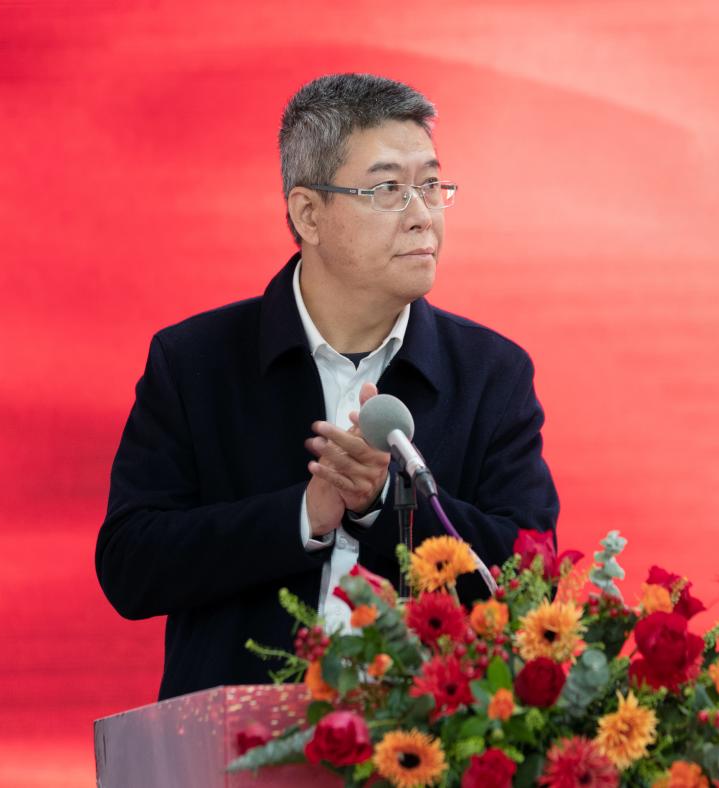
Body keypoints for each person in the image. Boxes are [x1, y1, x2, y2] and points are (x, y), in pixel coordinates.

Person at [96, 73, 559, 701]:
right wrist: (303, 516)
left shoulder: (490, 374)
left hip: (426, 738)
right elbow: (131, 565)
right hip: (236, 740)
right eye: (388, 189)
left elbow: (532, 578)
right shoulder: (196, 363)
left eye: (430, 186)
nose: (421, 216)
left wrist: (384, 503)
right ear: (308, 214)